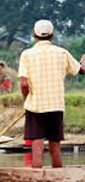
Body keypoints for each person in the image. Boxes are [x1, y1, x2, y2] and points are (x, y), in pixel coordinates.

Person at [18, 19, 85, 168]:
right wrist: (83, 63)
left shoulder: (27, 55)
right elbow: (80, 70)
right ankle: (58, 176)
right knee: (55, 145)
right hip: (55, 105)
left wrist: (26, 99)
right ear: (51, 35)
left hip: (35, 105)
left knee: (37, 144)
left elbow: (24, 83)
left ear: (34, 35)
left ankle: (36, 177)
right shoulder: (62, 53)